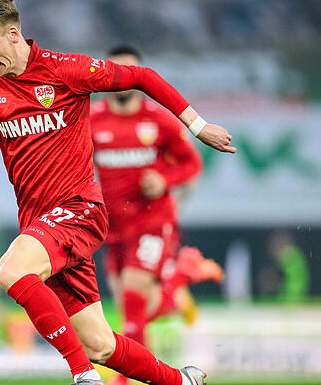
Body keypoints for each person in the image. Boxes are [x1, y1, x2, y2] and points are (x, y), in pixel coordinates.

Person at [0, 0, 236, 385]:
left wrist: (198, 125)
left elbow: (142, 77)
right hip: (41, 226)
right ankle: (181, 382)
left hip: (79, 210)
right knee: (100, 343)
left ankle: (83, 376)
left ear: (13, 34)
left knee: (11, 269)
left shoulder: (64, 70)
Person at [89, 45, 224, 385]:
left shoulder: (158, 120)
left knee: (133, 297)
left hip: (152, 221)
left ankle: (129, 380)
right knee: (132, 308)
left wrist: (164, 179)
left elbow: (192, 164)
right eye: (115, 72)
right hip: (112, 227)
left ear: (139, 78)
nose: (123, 79)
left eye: (130, 72)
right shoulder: (92, 121)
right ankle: (182, 275)